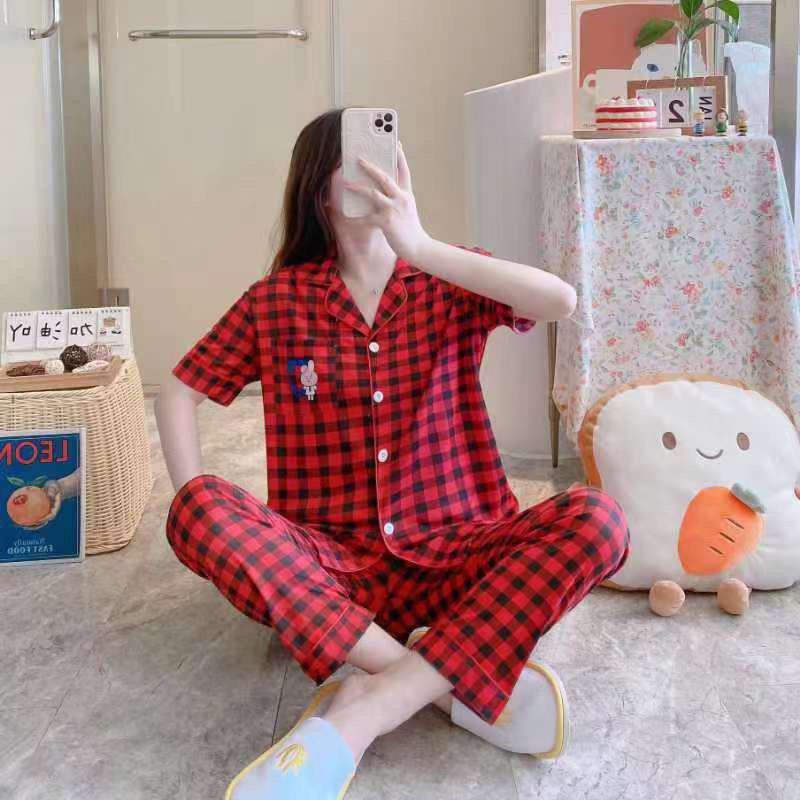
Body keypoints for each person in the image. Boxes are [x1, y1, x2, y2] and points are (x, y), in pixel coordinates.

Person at [155, 107, 630, 799]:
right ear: (319, 191)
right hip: (331, 574)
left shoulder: (448, 277)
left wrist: (421, 245)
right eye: (352, 163)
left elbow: (560, 300)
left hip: (461, 555)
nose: (374, 174)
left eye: (384, 157)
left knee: (599, 520)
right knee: (197, 507)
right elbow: (179, 390)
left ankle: (371, 704)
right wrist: (197, 496)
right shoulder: (276, 301)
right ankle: (439, 683)